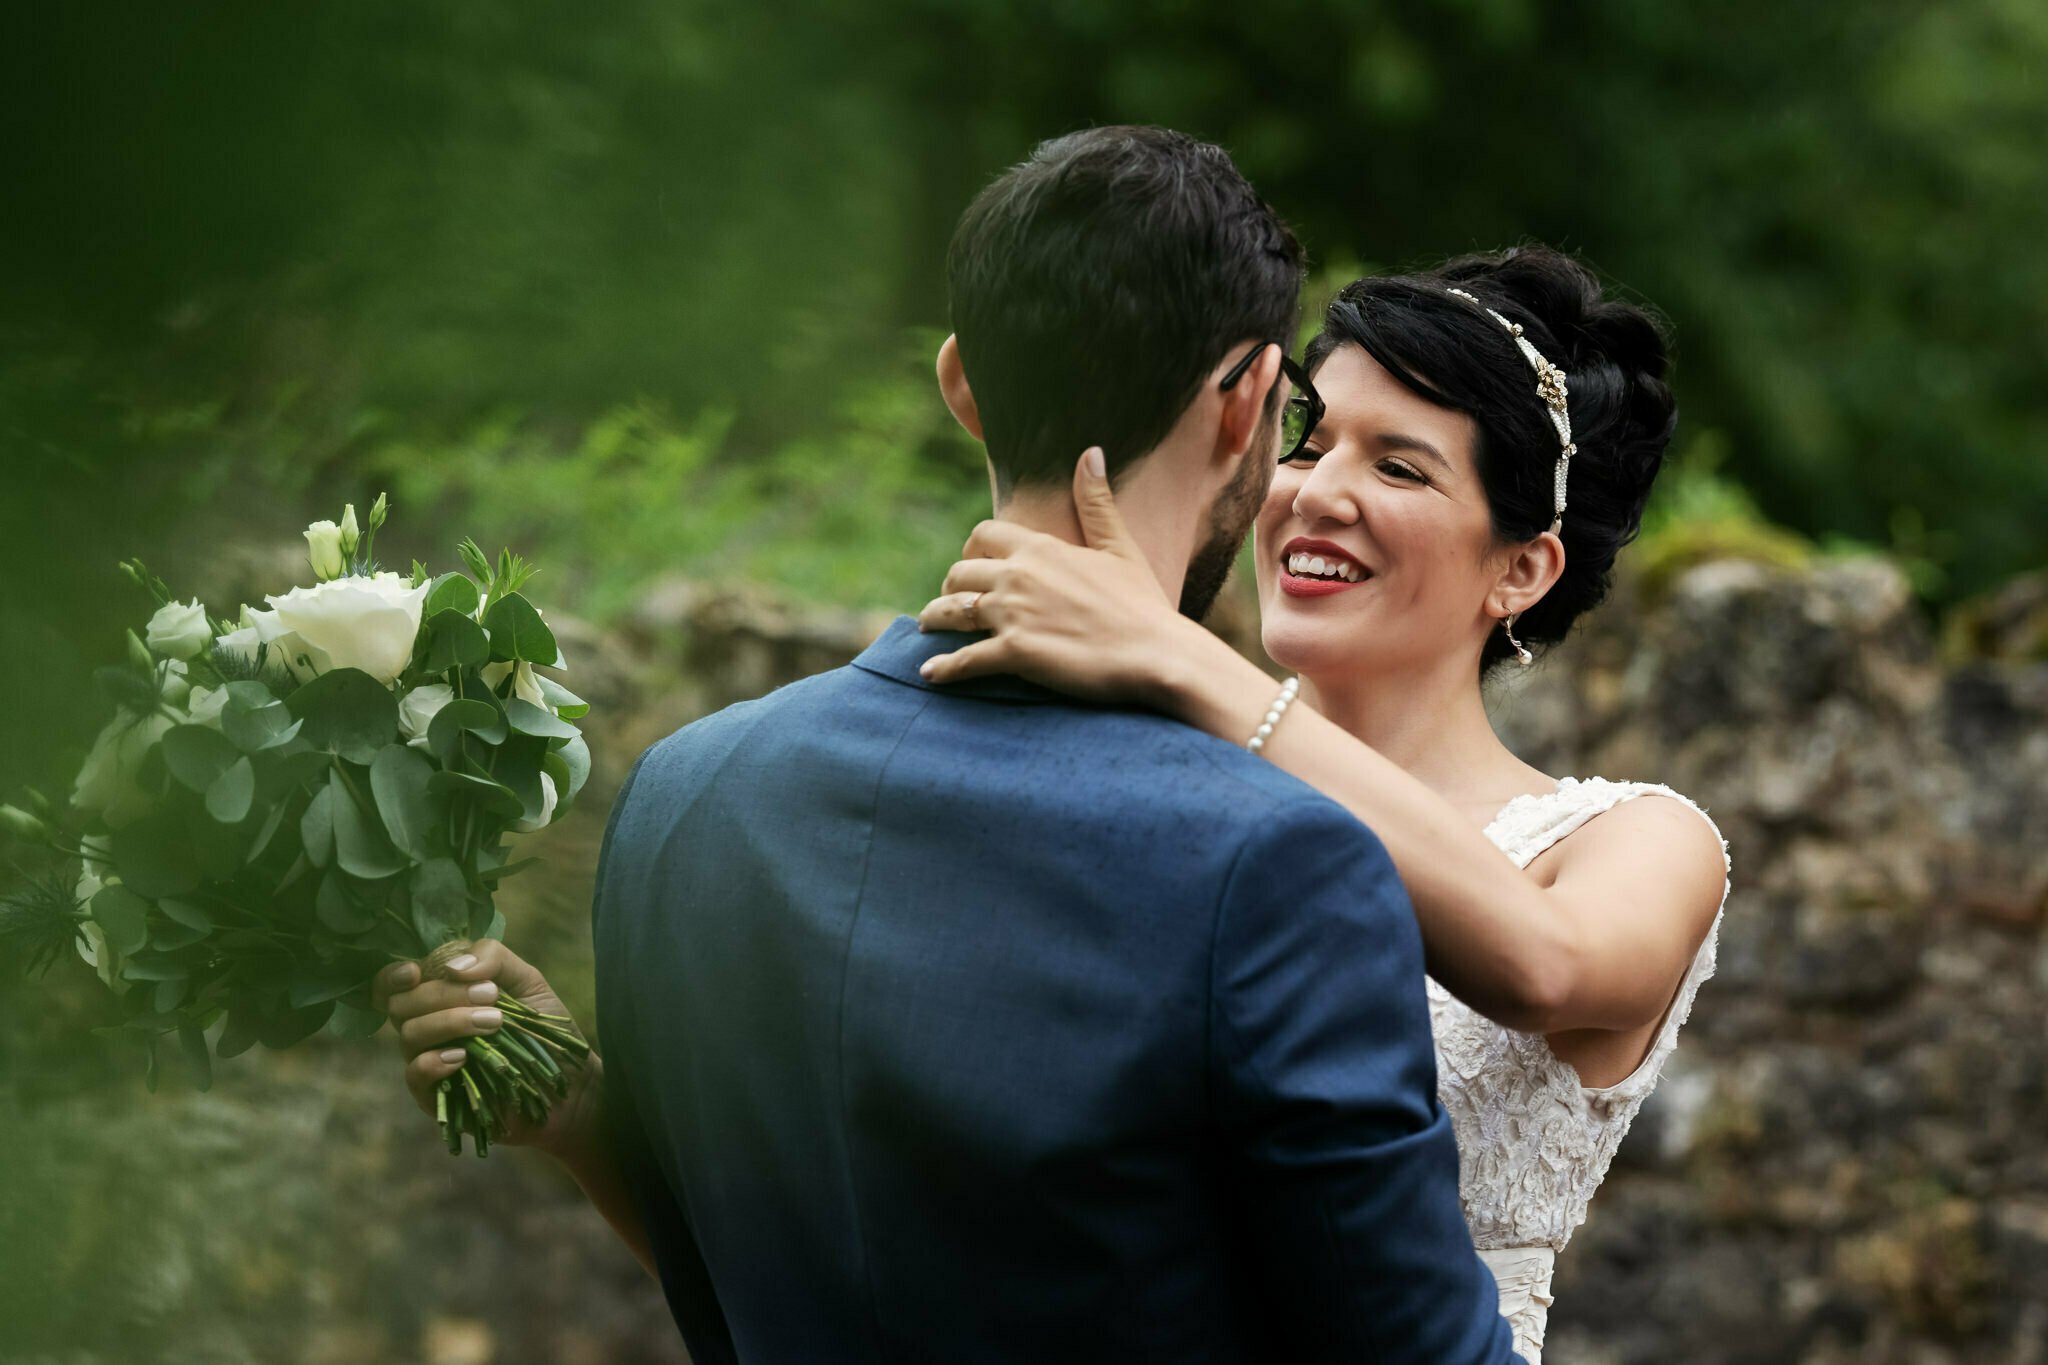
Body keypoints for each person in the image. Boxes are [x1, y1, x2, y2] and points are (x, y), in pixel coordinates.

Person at [374, 126, 1523, 1363]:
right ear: (1244, 401)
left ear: (960, 384)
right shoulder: (1285, 864)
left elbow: (749, 1285)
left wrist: (587, 1120)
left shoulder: (683, 799)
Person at [912, 245, 1732, 1362]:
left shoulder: (1637, 839)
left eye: (1399, 469)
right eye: (1304, 438)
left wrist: (1185, 658)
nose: (1312, 490)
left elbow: (1544, 966)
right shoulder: (1147, 767)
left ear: (1522, 570)